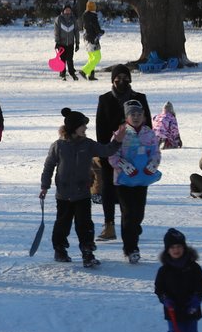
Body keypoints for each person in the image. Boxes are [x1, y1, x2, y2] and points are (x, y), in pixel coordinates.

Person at [40, 108, 126, 267]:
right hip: (63, 194)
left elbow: (106, 151)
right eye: (83, 126)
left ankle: (87, 252)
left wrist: (117, 141)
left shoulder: (88, 144)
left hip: (83, 193)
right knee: (62, 223)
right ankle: (60, 249)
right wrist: (45, 186)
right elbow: (49, 166)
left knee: (85, 224)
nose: (85, 129)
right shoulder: (58, 146)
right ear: (74, 127)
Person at [94, 64, 152, 241]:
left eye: (125, 78)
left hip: (135, 153)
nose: (121, 81)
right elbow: (100, 127)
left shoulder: (140, 98)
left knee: (134, 190)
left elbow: (148, 124)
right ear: (112, 80)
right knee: (109, 189)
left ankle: (132, 223)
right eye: (117, 78)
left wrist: (147, 149)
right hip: (111, 150)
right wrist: (105, 151)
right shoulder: (104, 99)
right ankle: (109, 225)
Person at [108, 99, 161, 264]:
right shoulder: (120, 133)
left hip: (142, 180)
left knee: (138, 214)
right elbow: (112, 155)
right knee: (128, 214)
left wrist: (153, 164)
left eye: (139, 114)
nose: (136, 117)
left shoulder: (149, 133)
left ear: (144, 116)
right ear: (126, 117)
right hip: (123, 182)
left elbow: (156, 153)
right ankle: (131, 248)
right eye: (132, 114)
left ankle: (132, 232)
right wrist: (123, 165)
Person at [154, 228, 202, 332]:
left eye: (179, 247)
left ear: (184, 248)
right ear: (167, 250)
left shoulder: (193, 267)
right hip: (172, 310)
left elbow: (201, 284)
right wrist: (165, 299)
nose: (176, 250)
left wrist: (196, 299)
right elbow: (159, 288)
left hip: (191, 308)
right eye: (172, 247)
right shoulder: (164, 270)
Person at [54, 4, 80, 81]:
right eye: (66, 10)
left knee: (70, 59)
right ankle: (62, 73)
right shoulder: (59, 19)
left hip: (70, 43)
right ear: (63, 10)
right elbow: (56, 32)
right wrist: (57, 42)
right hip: (62, 43)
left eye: (69, 10)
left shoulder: (73, 19)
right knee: (62, 59)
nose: (68, 11)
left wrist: (77, 43)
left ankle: (72, 72)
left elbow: (76, 31)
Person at [79, 1, 104, 80]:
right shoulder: (92, 16)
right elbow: (96, 28)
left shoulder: (85, 15)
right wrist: (101, 32)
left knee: (91, 57)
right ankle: (84, 71)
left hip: (86, 39)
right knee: (97, 57)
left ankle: (91, 75)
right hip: (92, 39)